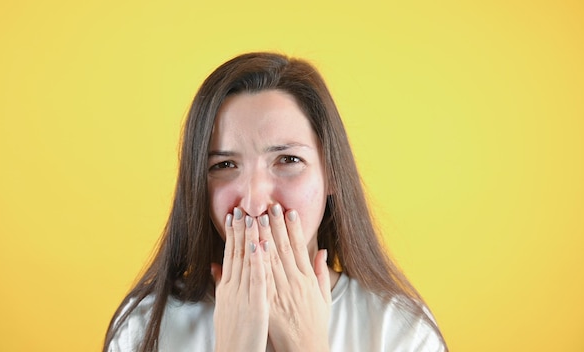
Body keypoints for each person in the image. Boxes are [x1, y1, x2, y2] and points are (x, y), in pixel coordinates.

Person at [103, 52, 447, 352]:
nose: (254, 201)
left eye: (287, 160)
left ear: (331, 174)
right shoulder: (143, 326)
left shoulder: (400, 329)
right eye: (223, 165)